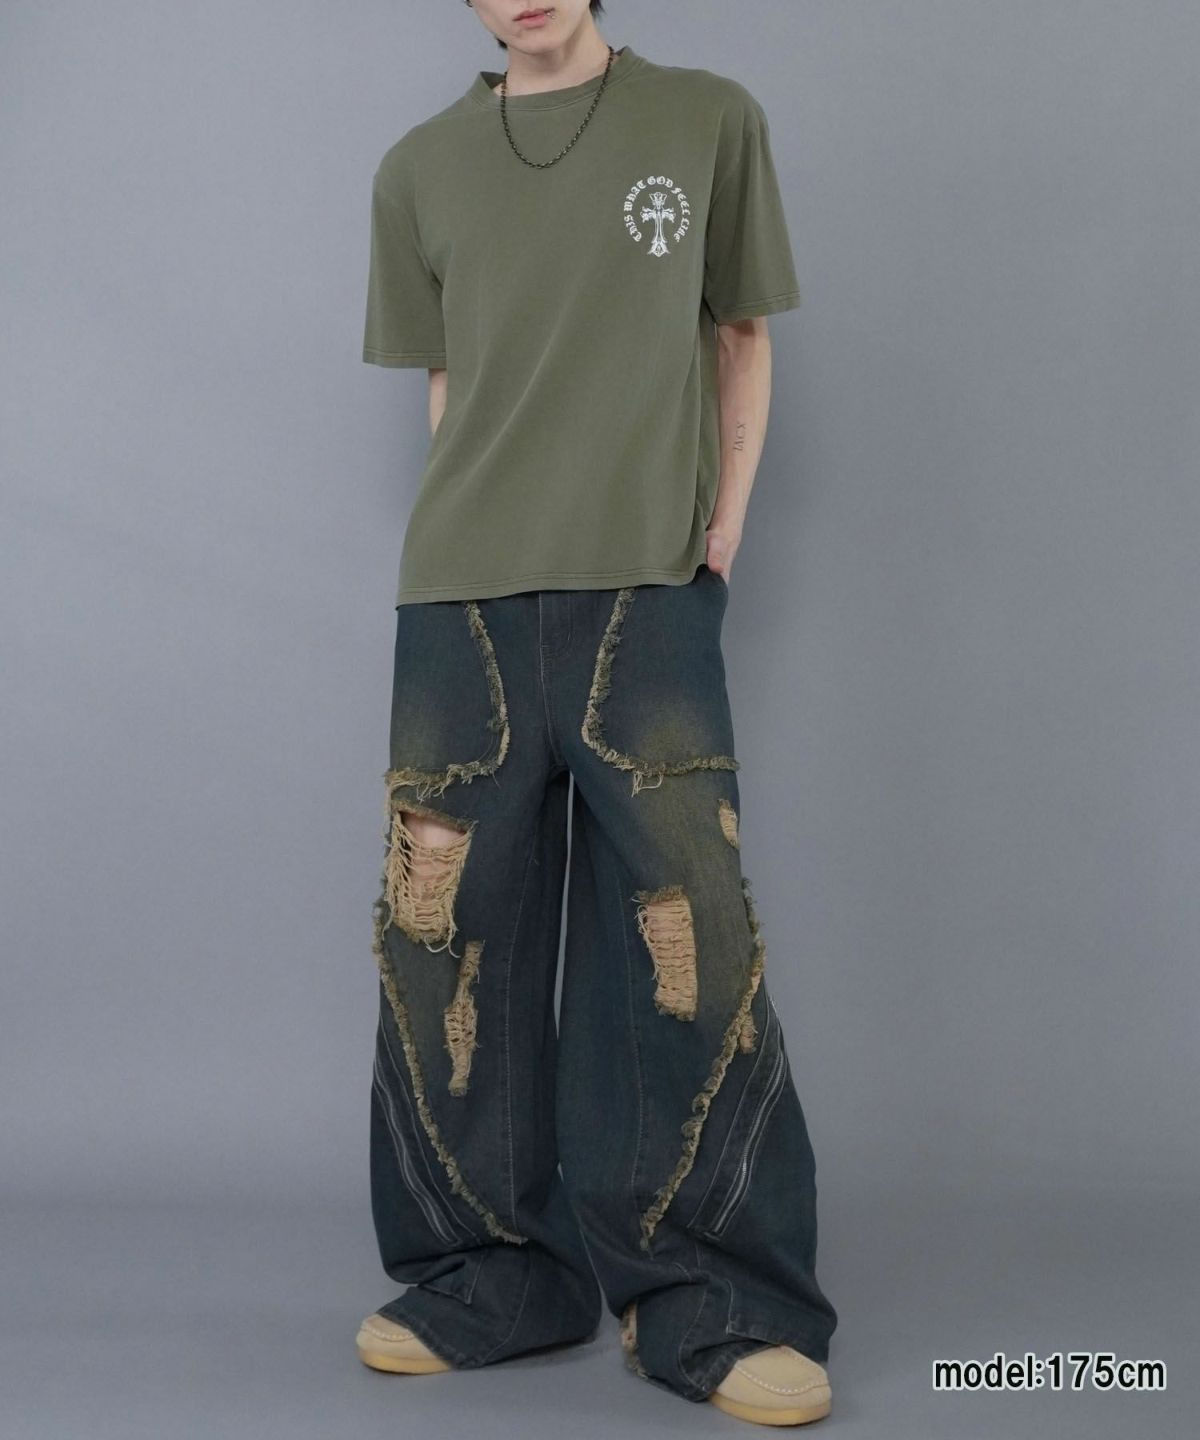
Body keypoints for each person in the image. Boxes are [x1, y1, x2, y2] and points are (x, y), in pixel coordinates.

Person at [354, 0, 839, 1424]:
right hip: (463, 600)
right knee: (445, 933)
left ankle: (712, 1301)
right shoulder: (418, 168)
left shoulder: (706, 119)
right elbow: (453, 385)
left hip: (649, 584)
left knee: (688, 930)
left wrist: (722, 529)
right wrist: (484, 535)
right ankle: (491, 1279)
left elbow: (741, 334)